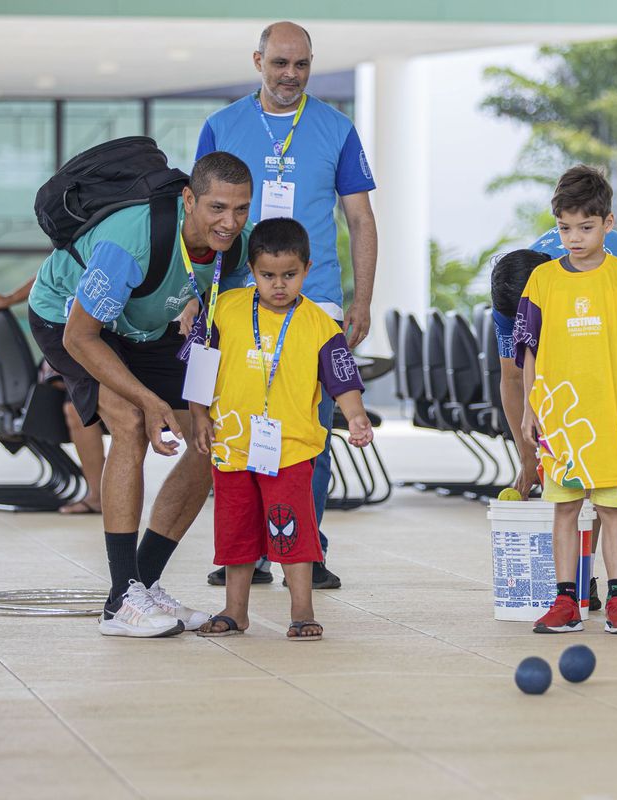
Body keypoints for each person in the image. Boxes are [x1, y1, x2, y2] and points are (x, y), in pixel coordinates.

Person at [27, 151, 256, 638]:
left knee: (209, 435)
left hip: (144, 329)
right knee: (129, 423)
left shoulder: (235, 249)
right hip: (68, 320)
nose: (229, 222)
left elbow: (224, 324)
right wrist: (152, 403)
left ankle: (144, 584)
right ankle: (118, 604)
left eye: (241, 209)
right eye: (217, 207)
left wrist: (206, 401)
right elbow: (79, 337)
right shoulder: (131, 241)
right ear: (189, 199)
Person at [197, 20, 378, 591]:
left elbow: (360, 218)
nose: (290, 75)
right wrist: (196, 296)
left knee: (310, 430)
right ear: (258, 61)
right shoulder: (221, 125)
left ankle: (306, 548)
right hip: (236, 299)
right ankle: (245, 553)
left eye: (301, 65)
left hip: (315, 299)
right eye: (279, 63)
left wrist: (362, 299)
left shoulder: (336, 128)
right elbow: (201, 219)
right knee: (237, 428)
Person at [491, 221, 617, 617]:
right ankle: (584, 576)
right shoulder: (512, 297)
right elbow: (513, 378)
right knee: (575, 453)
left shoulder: (597, 280)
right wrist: (529, 458)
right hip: (583, 324)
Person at [188, 218, 373, 639]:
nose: (278, 285)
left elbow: (342, 380)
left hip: (289, 450)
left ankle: (302, 610)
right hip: (232, 446)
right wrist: (198, 415)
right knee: (235, 530)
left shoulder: (322, 327)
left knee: (292, 527)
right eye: (267, 275)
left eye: (289, 275)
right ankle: (236, 610)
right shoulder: (226, 310)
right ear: (251, 269)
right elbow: (202, 365)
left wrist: (357, 417)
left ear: (307, 269)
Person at [515, 165, 617, 635]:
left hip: (609, 419)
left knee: (611, 508)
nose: (575, 238)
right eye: (565, 228)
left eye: (586, 227)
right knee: (563, 508)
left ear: (609, 222)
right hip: (561, 422)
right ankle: (566, 601)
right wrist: (529, 407)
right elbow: (529, 353)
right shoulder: (542, 282)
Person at [0, 276, 136, 515]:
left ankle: (103, 493)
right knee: (72, 408)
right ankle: (98, 493)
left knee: (76, 409)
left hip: (108, 338)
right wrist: (12, 298)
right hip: (73, 341)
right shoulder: (69, 251)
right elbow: (49, 272)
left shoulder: (106, 245)